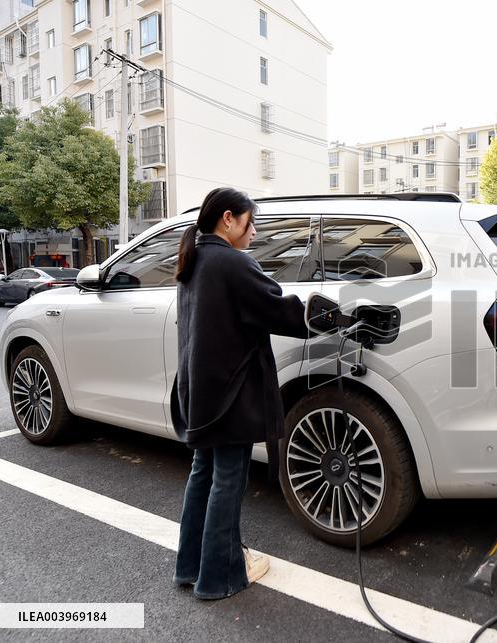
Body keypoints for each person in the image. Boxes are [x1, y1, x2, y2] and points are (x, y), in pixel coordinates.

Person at [170, 187, 309, 600]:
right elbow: (279, 309)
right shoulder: (230, 262)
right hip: (229, 395)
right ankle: (220, 577)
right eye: (250, 223)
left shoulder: (192, 260)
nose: (254, 232)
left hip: (199, 392)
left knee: (203, 475)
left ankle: (190, 567)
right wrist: (328, 313)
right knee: (227, 480)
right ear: (227, 219)